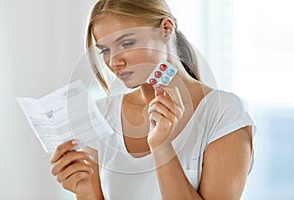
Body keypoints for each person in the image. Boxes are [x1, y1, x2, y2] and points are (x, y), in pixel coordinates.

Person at [50, 0, 256, 199]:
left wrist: (161, 146)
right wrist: (85, 193)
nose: (114, 62)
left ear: (166, 29)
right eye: (105, 50)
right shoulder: (100, 114)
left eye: (126, 43)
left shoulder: (223, 113)